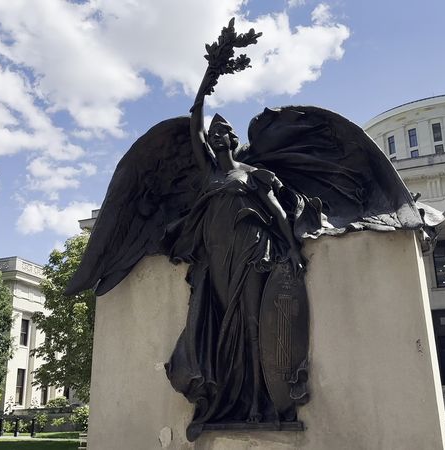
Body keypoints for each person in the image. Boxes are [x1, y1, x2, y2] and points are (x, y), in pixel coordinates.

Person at [164, 64, 306, 440]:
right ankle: (228, 400)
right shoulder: (209, 173)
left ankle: (264, 403)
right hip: (216, 257)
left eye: (223, 133)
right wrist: (205, 82)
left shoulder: (249, 173)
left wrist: (292, 248)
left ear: (233, 138)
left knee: (255, 325)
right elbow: (193, 124)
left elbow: (275, 211)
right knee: (223, 328)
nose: (218, 137)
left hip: (252, 251)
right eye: (214, 134)